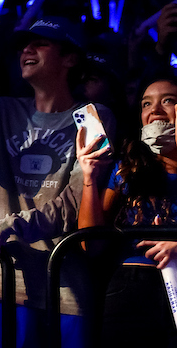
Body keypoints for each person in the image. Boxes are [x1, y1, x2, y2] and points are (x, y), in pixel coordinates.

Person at [0, 17, 113, 348]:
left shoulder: (94, 115)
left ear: (70, 58)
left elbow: (72, 206)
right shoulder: (2, 110)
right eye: (24, 44)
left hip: (66, 287)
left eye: (41, 43)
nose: (27, 49)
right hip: (5, 282)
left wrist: (6, 226)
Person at [77, 75, 177, 345]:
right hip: (131, 285)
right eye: (146, 103)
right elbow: (91, 244)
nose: (155, 110)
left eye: (168, 101)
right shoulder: (128, 165)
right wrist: (89, 176)